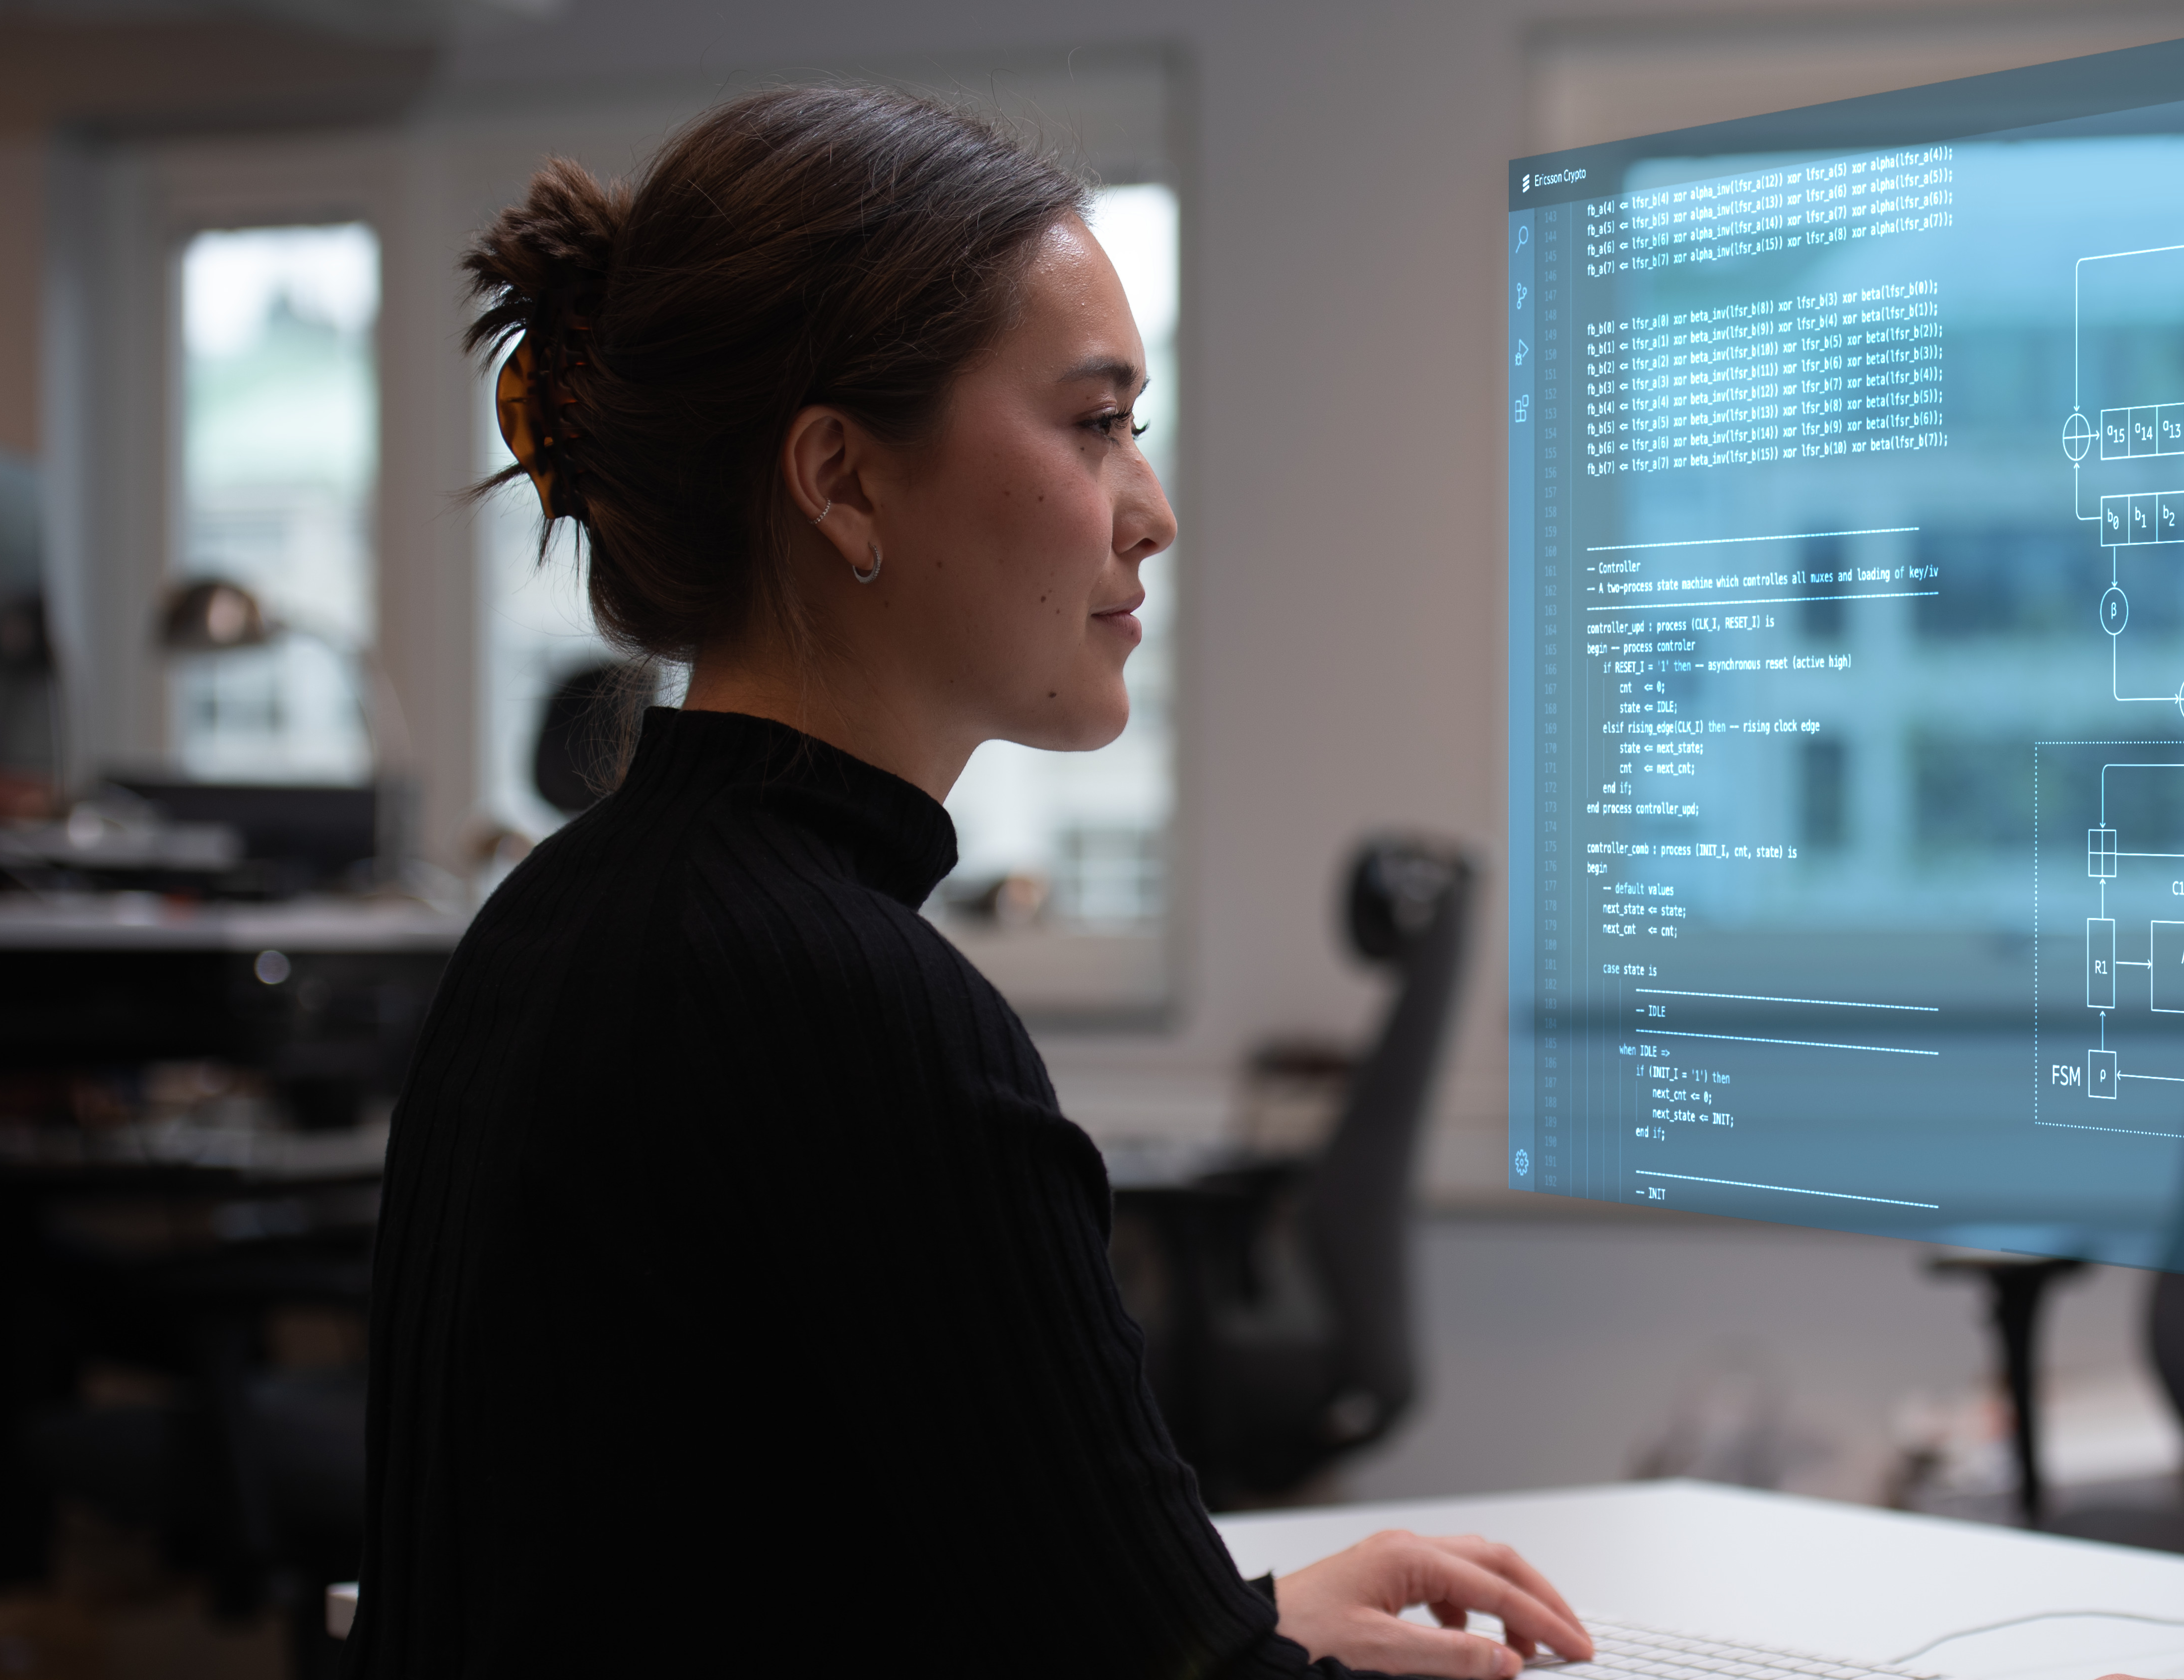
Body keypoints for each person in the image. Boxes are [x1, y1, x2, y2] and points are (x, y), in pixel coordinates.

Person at [348, 85, 1592, 1678]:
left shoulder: (558, 917)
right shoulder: (856, 1010)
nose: (1151, 510)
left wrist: (1241, 1618)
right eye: (1094, 421)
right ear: (843, 481)